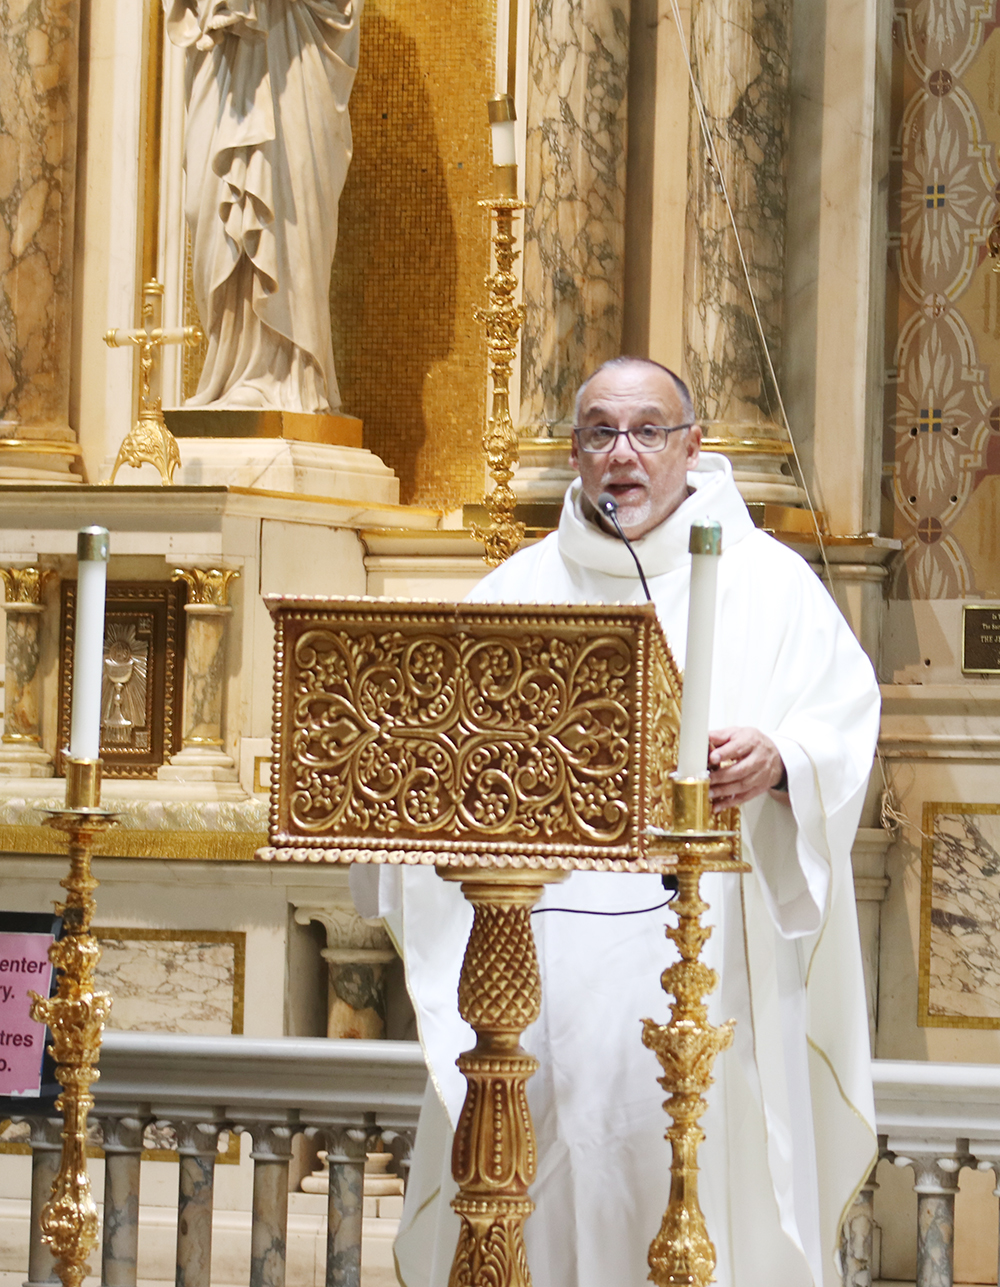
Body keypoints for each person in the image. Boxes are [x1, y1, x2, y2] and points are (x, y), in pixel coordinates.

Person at [382, 357, 880, 1287]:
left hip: (713, 962)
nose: (624, 453)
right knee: (547, 1179)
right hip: (538, 971)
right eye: (601, 432)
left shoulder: (769, 584)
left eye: (648, 430)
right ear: (574, 453)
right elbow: (435, 762)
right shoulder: (515, 592)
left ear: (692, 446)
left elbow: (842, 719)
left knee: (697, 1171)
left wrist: (781, 759)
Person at [166, 0, 361, 412]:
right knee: (209, 206)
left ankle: (279, 375)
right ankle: (230, 371)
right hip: (224, 63)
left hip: (294, 49)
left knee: (282, 207)